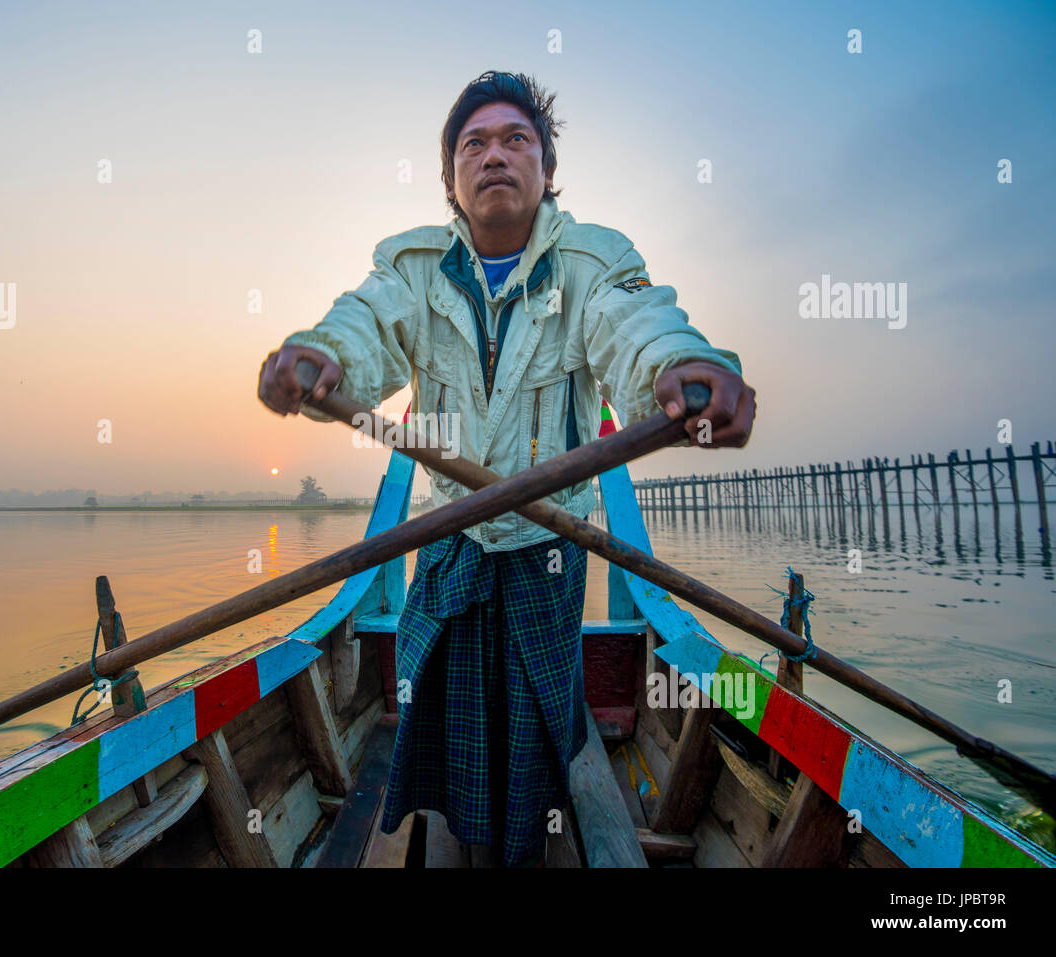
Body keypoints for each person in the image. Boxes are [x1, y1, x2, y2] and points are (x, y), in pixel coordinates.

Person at [258, 71, 756, 867]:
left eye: (515, 140)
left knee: (530, 720)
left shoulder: (593, 263)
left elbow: (637, 326)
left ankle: (524, 842)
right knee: (445, 708)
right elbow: (363, 321)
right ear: (452, 179)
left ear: (547, 170)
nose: (495, 155)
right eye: (474, 144)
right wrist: (320, 357)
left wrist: (684, 366)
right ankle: (463, 833)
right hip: (451, 533)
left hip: (547, 544)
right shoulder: (414, 267)